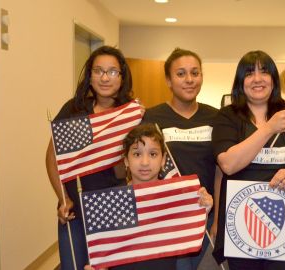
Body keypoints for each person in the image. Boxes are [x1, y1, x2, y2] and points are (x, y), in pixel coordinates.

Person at [211, 50, 285, 270]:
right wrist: (269, 128)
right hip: (242, 223)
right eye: (249, 73)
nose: (257, 79)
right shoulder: (227, 117)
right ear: (240, 81)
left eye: (264, 72)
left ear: (273, 79)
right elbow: (228, 164)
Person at [46, 45, 135, 270]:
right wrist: (64, 199)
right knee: (74, 265)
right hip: (75, 206)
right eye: (98, 71)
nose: (105, 78)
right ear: (90, 76)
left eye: (112, 71)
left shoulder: (130, 114)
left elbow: (138, 166)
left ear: (122, 77)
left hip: (116, 206)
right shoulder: (74, 109)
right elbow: (52, 158)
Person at [85, 123, 213, 270]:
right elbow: (104, 253)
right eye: (137, 154)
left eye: (153, 154)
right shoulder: (111, 201)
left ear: (163, 159)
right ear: (126, 160)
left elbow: (187, 235)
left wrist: (201, 209)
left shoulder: (174, 198)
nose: (145, 163)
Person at [142, 48, 222, 270]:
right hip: (166, 216)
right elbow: (141, 168)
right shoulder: (151, 117)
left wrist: (217, 219)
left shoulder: (216, 117)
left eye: (195, 73)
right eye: (180, 74)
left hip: (204, 213)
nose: (189, 80)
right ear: (168, 80)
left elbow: (220, 171)